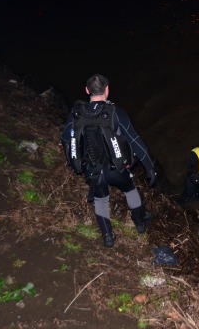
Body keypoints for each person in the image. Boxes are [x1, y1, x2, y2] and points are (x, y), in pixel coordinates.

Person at [61, 74, 156, 248]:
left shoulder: (76, 114)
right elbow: (135, 141)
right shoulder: (116, 113)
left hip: (93, 170)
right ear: (107, 90)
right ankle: (140, 223)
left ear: (87, 90)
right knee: (130, 190)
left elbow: (66, 138)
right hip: (117, 170)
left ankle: (108, 236)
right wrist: (149, 167)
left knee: (101, 200)